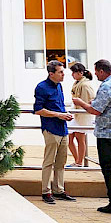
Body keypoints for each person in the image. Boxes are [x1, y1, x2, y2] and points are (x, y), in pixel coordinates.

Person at [73, 59, 111, 215]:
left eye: (96, 71)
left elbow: (95, 111)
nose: (95, 74)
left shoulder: (106, 86)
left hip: (107, 133)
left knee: (108, 168)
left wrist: (82, 103)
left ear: (101, 71)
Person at [33, 60, 76, 204]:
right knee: (49, 161)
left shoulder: (59, 86)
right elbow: (38, 110)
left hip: (63, 129)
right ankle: (46, 191)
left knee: (61, 162)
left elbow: (59, 106)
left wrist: (64, 114)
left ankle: (59, 190)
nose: (64, 74)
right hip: (51, 129)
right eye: (60, 72)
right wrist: (58, 115)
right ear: (51, 74)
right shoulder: (41, 87)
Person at [68, 62, 96, 167]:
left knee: (80, 138)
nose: (72, 75)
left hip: (82, 114)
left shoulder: (85, 84)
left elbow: (92, 99)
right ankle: (77, 160)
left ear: (80, 73)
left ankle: (79, 162)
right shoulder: (77, 83)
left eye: (74, 72)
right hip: (75, 112)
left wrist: (82, 104)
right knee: (70, 138)